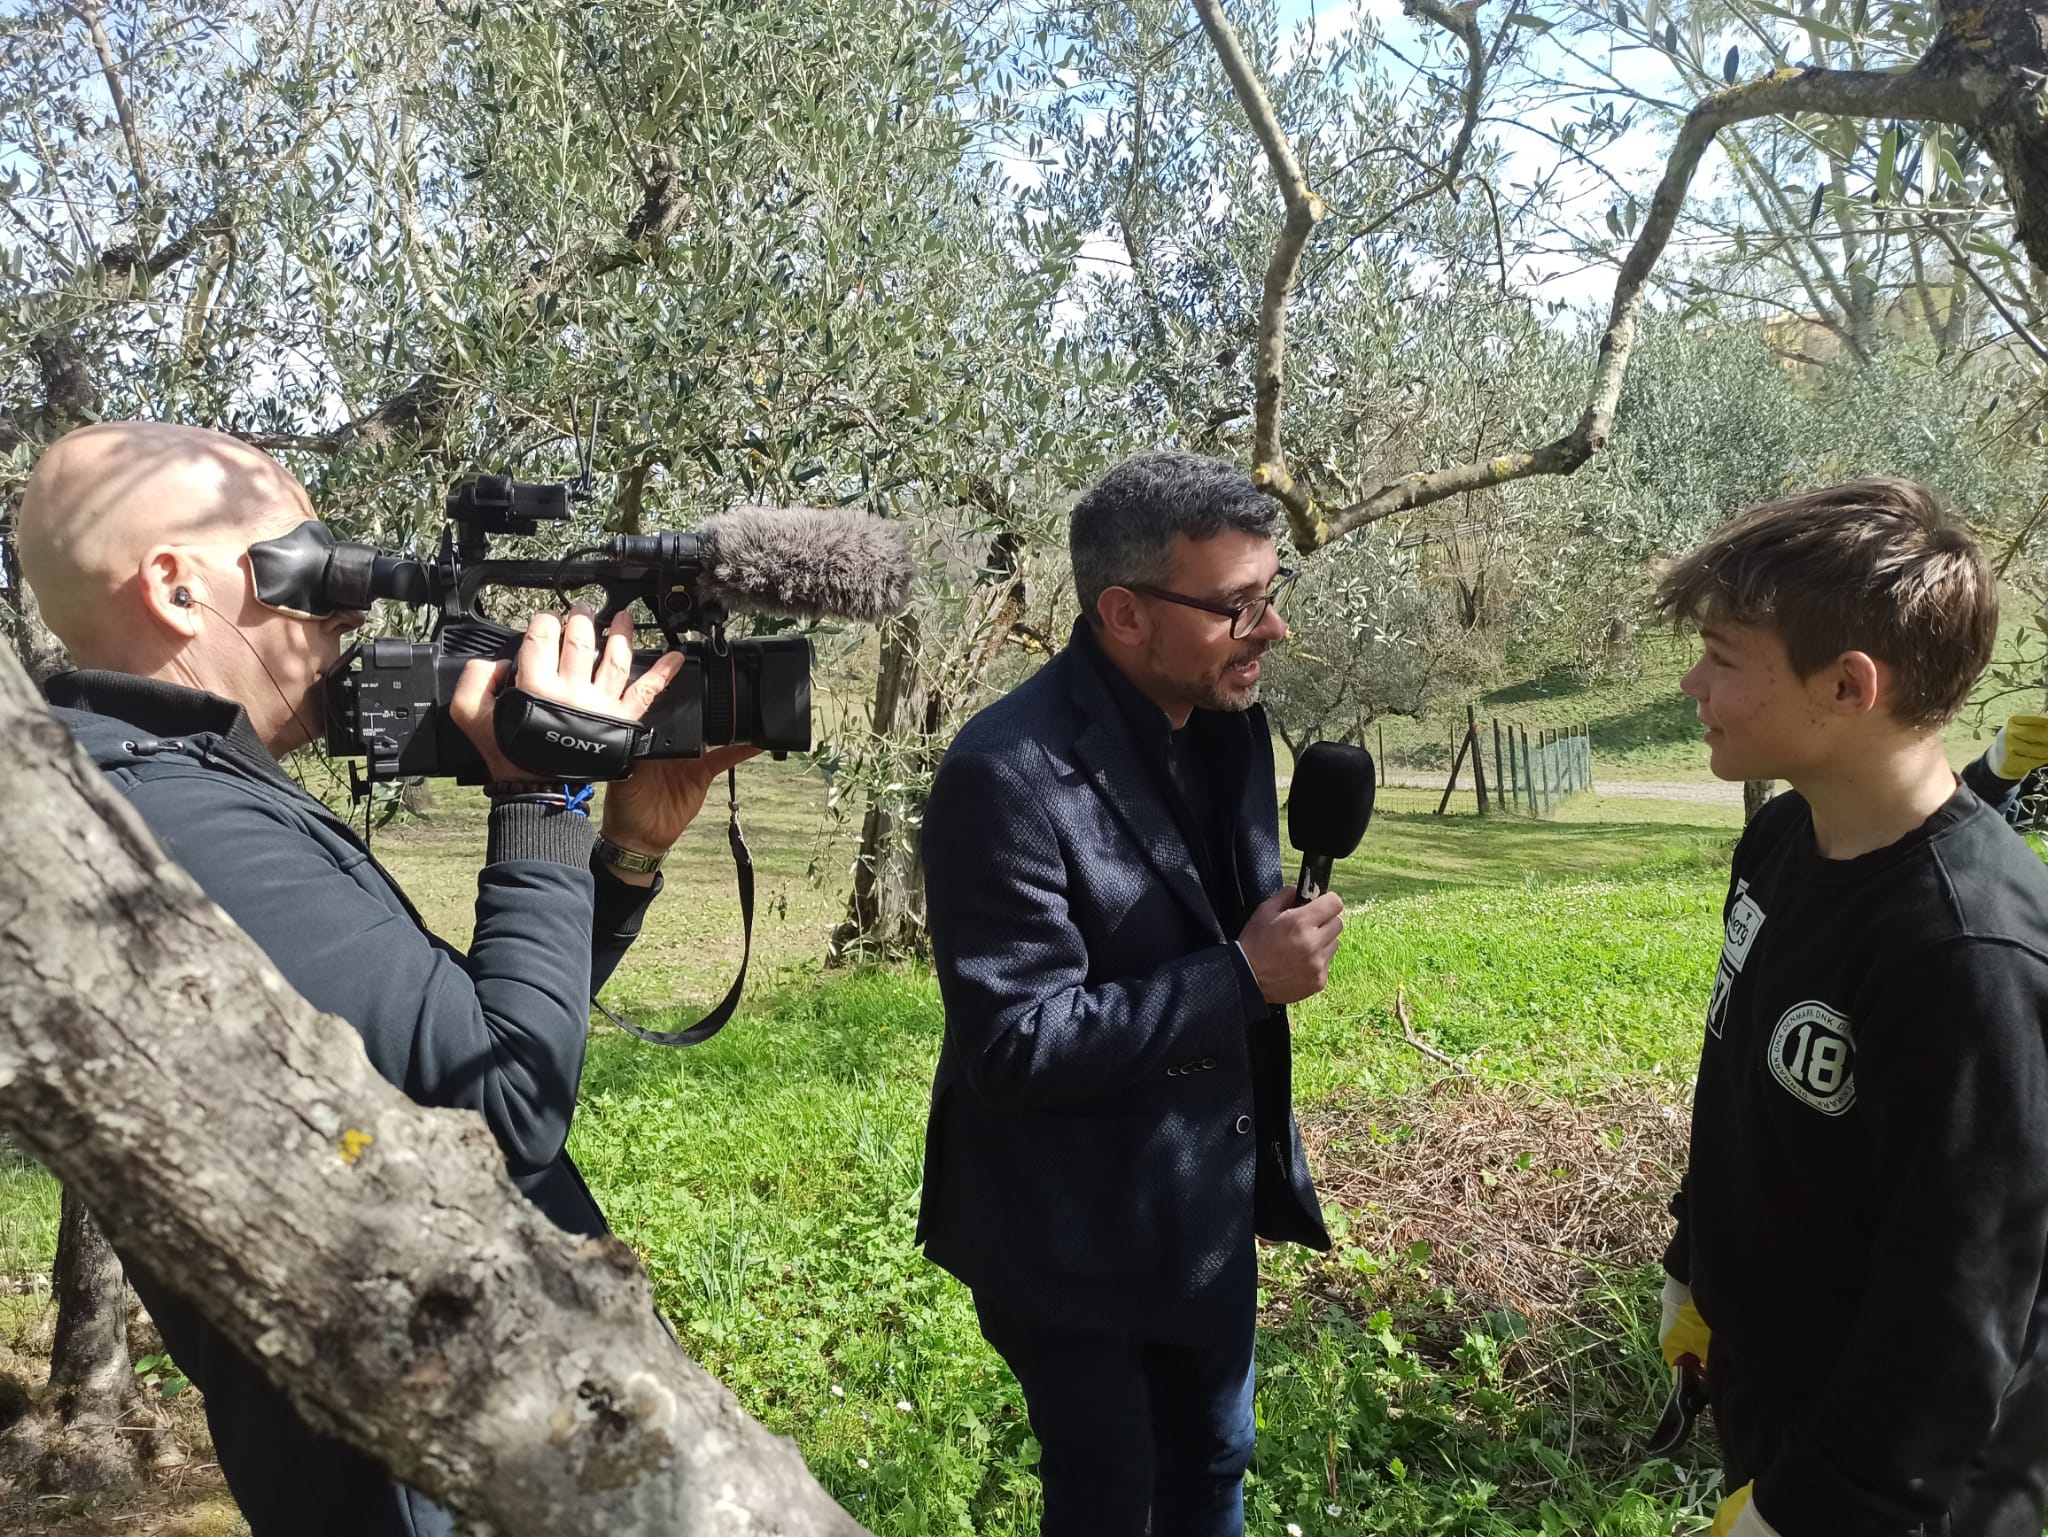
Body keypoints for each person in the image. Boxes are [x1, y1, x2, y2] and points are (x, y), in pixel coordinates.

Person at [18, 421, 753, 1537]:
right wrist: (539, 792)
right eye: (309, 572)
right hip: (417, 1460)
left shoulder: (166, 778)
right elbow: (506, 1106)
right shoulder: (172, 820)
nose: (352, 609)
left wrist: (622, 853)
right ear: (175, 589)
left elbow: (448, 1049)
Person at [917, 450, 1345, 1537]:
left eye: (1272, 593)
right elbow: (1014, 1043)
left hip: (1200, 1204)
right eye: (1235, 605)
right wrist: (1242, 976)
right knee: (1115, 1500)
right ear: (1122, 612)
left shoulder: (1232, 723)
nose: (1271, 629)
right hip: (1068, 1234)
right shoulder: (1004, 773)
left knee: (1211, 1467)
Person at [1652, 478, 2048, 1537]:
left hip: (1907, 1484)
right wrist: (1695, 1262)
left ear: (1847, 685)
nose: (1692, 682)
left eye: (1722, 657)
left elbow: (1961, 1294)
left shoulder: (1968, 949)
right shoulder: (1781, 841)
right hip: (1780, 1401)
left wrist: (1815, 1507)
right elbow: (1734, 1074)